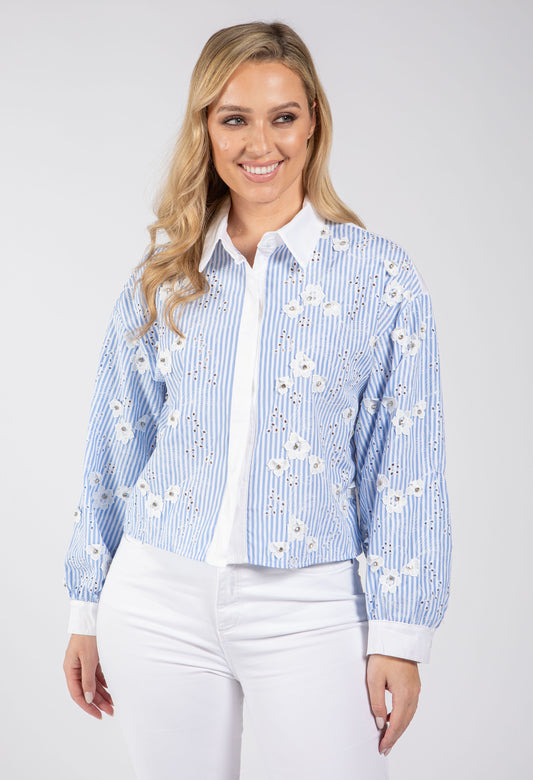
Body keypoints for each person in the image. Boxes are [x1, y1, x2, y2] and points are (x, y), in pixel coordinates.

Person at [62, 19, 451, 780]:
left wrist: (400, 637)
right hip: (155, 598)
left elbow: (404, 467)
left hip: (311, 608)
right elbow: (115, 443)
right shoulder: (164, 277)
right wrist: (85, 608)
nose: (259, 143)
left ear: (313, 126)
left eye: (283, 117)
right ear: (205, 129)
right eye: (233, 118)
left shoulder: (378, 278)